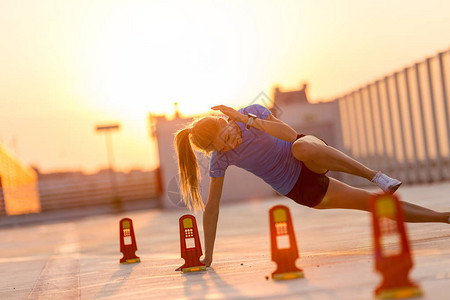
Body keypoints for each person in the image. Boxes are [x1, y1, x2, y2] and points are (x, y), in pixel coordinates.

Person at [174, 103, 450, 267]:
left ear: (225, 119)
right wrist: (207, 256)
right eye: (224, 146)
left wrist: (247, 121)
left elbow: (290, 134)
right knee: (374, 205)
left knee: (300, 147)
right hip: (301, 188)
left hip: (309, 154)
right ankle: (444, 218)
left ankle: (376, 176)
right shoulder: (221, 160)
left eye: (229, 135)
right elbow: (212, 209)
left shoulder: (251, 113)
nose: (232, 144)